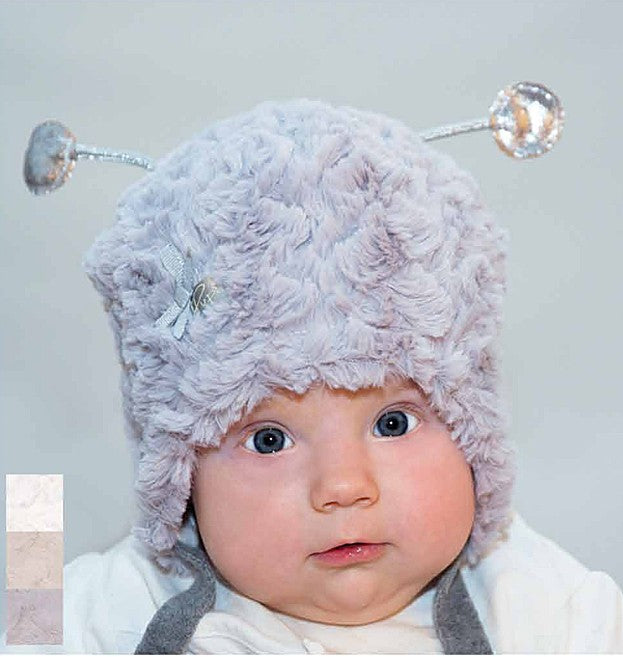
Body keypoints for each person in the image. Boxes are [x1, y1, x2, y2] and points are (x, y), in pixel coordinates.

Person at [4, 97, 622, 654]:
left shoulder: (546, 610)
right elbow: (25, 630)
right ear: (182, 479)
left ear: (474, 441)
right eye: (269, 439)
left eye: (393, 423)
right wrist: (29, 502)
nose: (343, 486)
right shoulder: (123, 602)